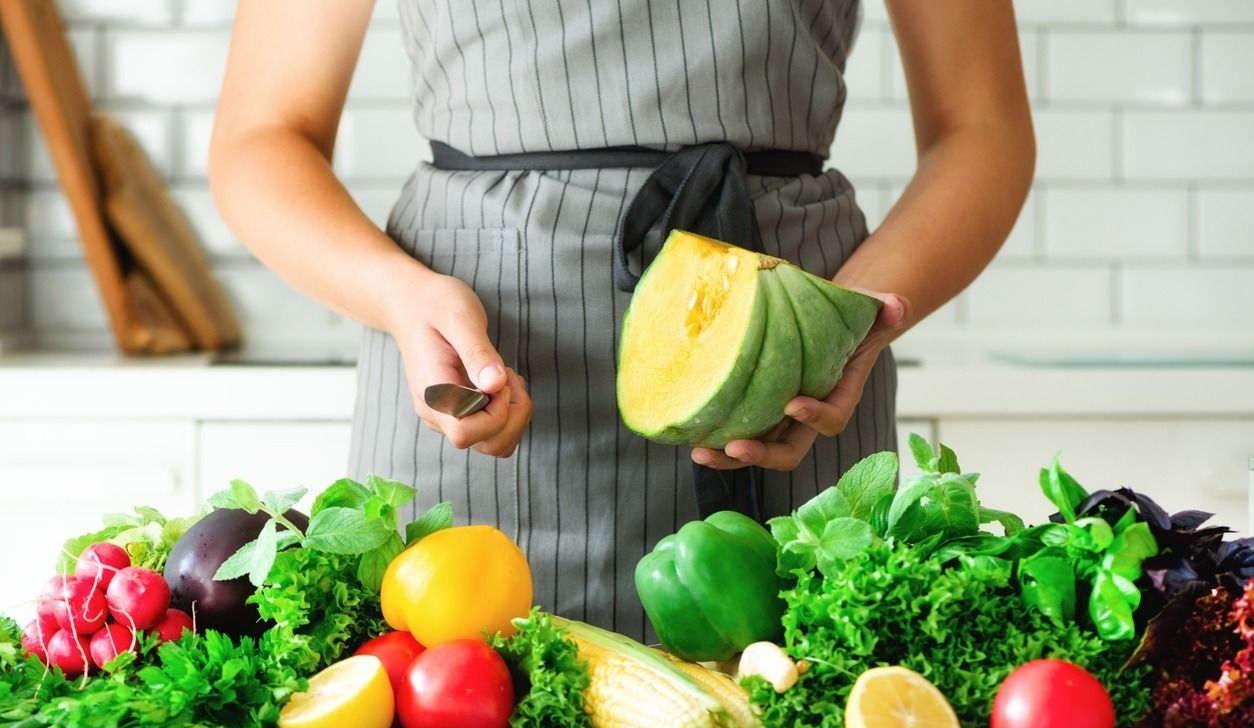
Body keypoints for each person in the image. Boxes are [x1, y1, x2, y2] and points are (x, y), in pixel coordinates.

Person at [209, 0, 1034, 639]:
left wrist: (847, 322)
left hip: (795, 380)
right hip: (475, 365)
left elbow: (982, 129)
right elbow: (262, 136)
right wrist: (398, 296)